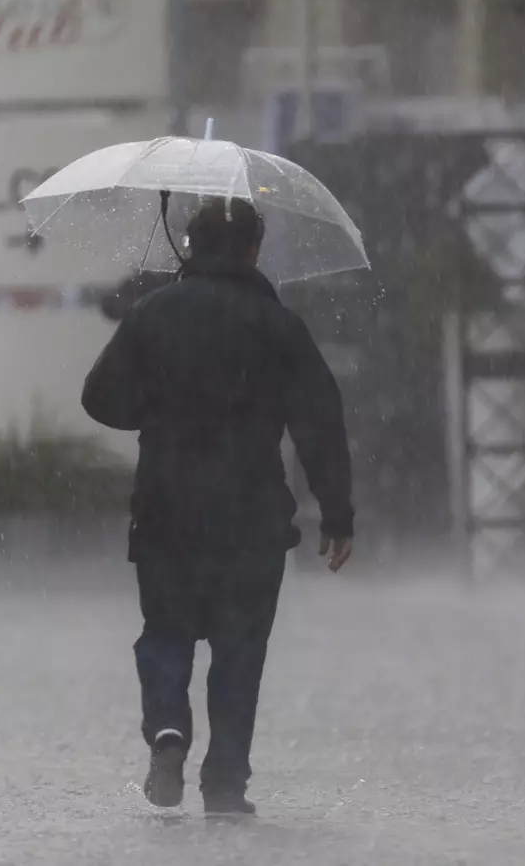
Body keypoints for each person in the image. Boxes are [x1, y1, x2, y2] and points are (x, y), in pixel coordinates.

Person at [82, 197, 355, 816]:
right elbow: (320, 420)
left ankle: (168, 730)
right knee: (240, 649)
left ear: (189, 243)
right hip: (251, 516)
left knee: (166, 633)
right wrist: (337, 515)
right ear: (254, 250)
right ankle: (225, 782)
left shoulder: (152, 314)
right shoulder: (276, 324)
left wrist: (151, 411)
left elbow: (99, 397)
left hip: (166, 510)